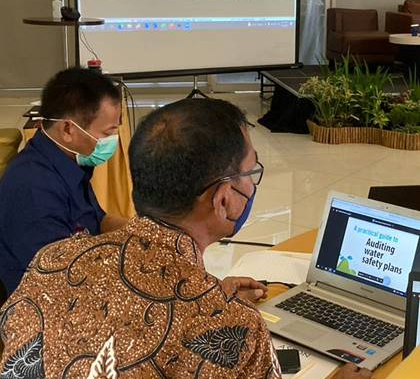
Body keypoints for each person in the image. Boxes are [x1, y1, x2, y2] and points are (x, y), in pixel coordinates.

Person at [0, 99, 371, 379]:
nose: (252, 184)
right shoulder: (236, 330)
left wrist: (207, 296)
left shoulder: (53, 261)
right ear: (223, 199)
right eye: (250, 172)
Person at [0, 67, 127, 296]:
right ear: (68, 129)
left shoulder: (70, 162)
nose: (112, 141)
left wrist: (144, 232)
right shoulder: (33, 187)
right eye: (108, 133)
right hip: (45, 302)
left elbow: (97, 221)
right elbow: (59, 280)